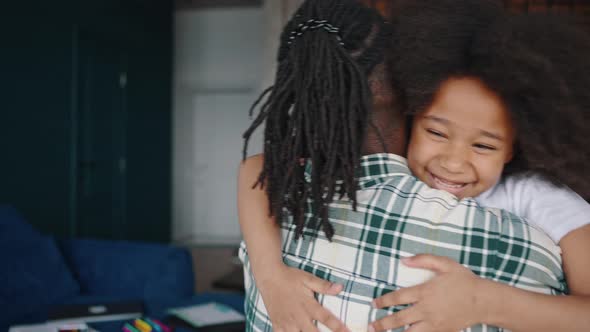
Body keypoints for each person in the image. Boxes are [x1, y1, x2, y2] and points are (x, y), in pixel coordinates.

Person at [238, 1, 587, 331]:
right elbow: (257, 168)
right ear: (411, 114)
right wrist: (269, 273)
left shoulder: (540, 197)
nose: (452, 162)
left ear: (515, 146)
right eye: (435, 131)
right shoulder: (392, 169)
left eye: (483, 145)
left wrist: (483, 301)